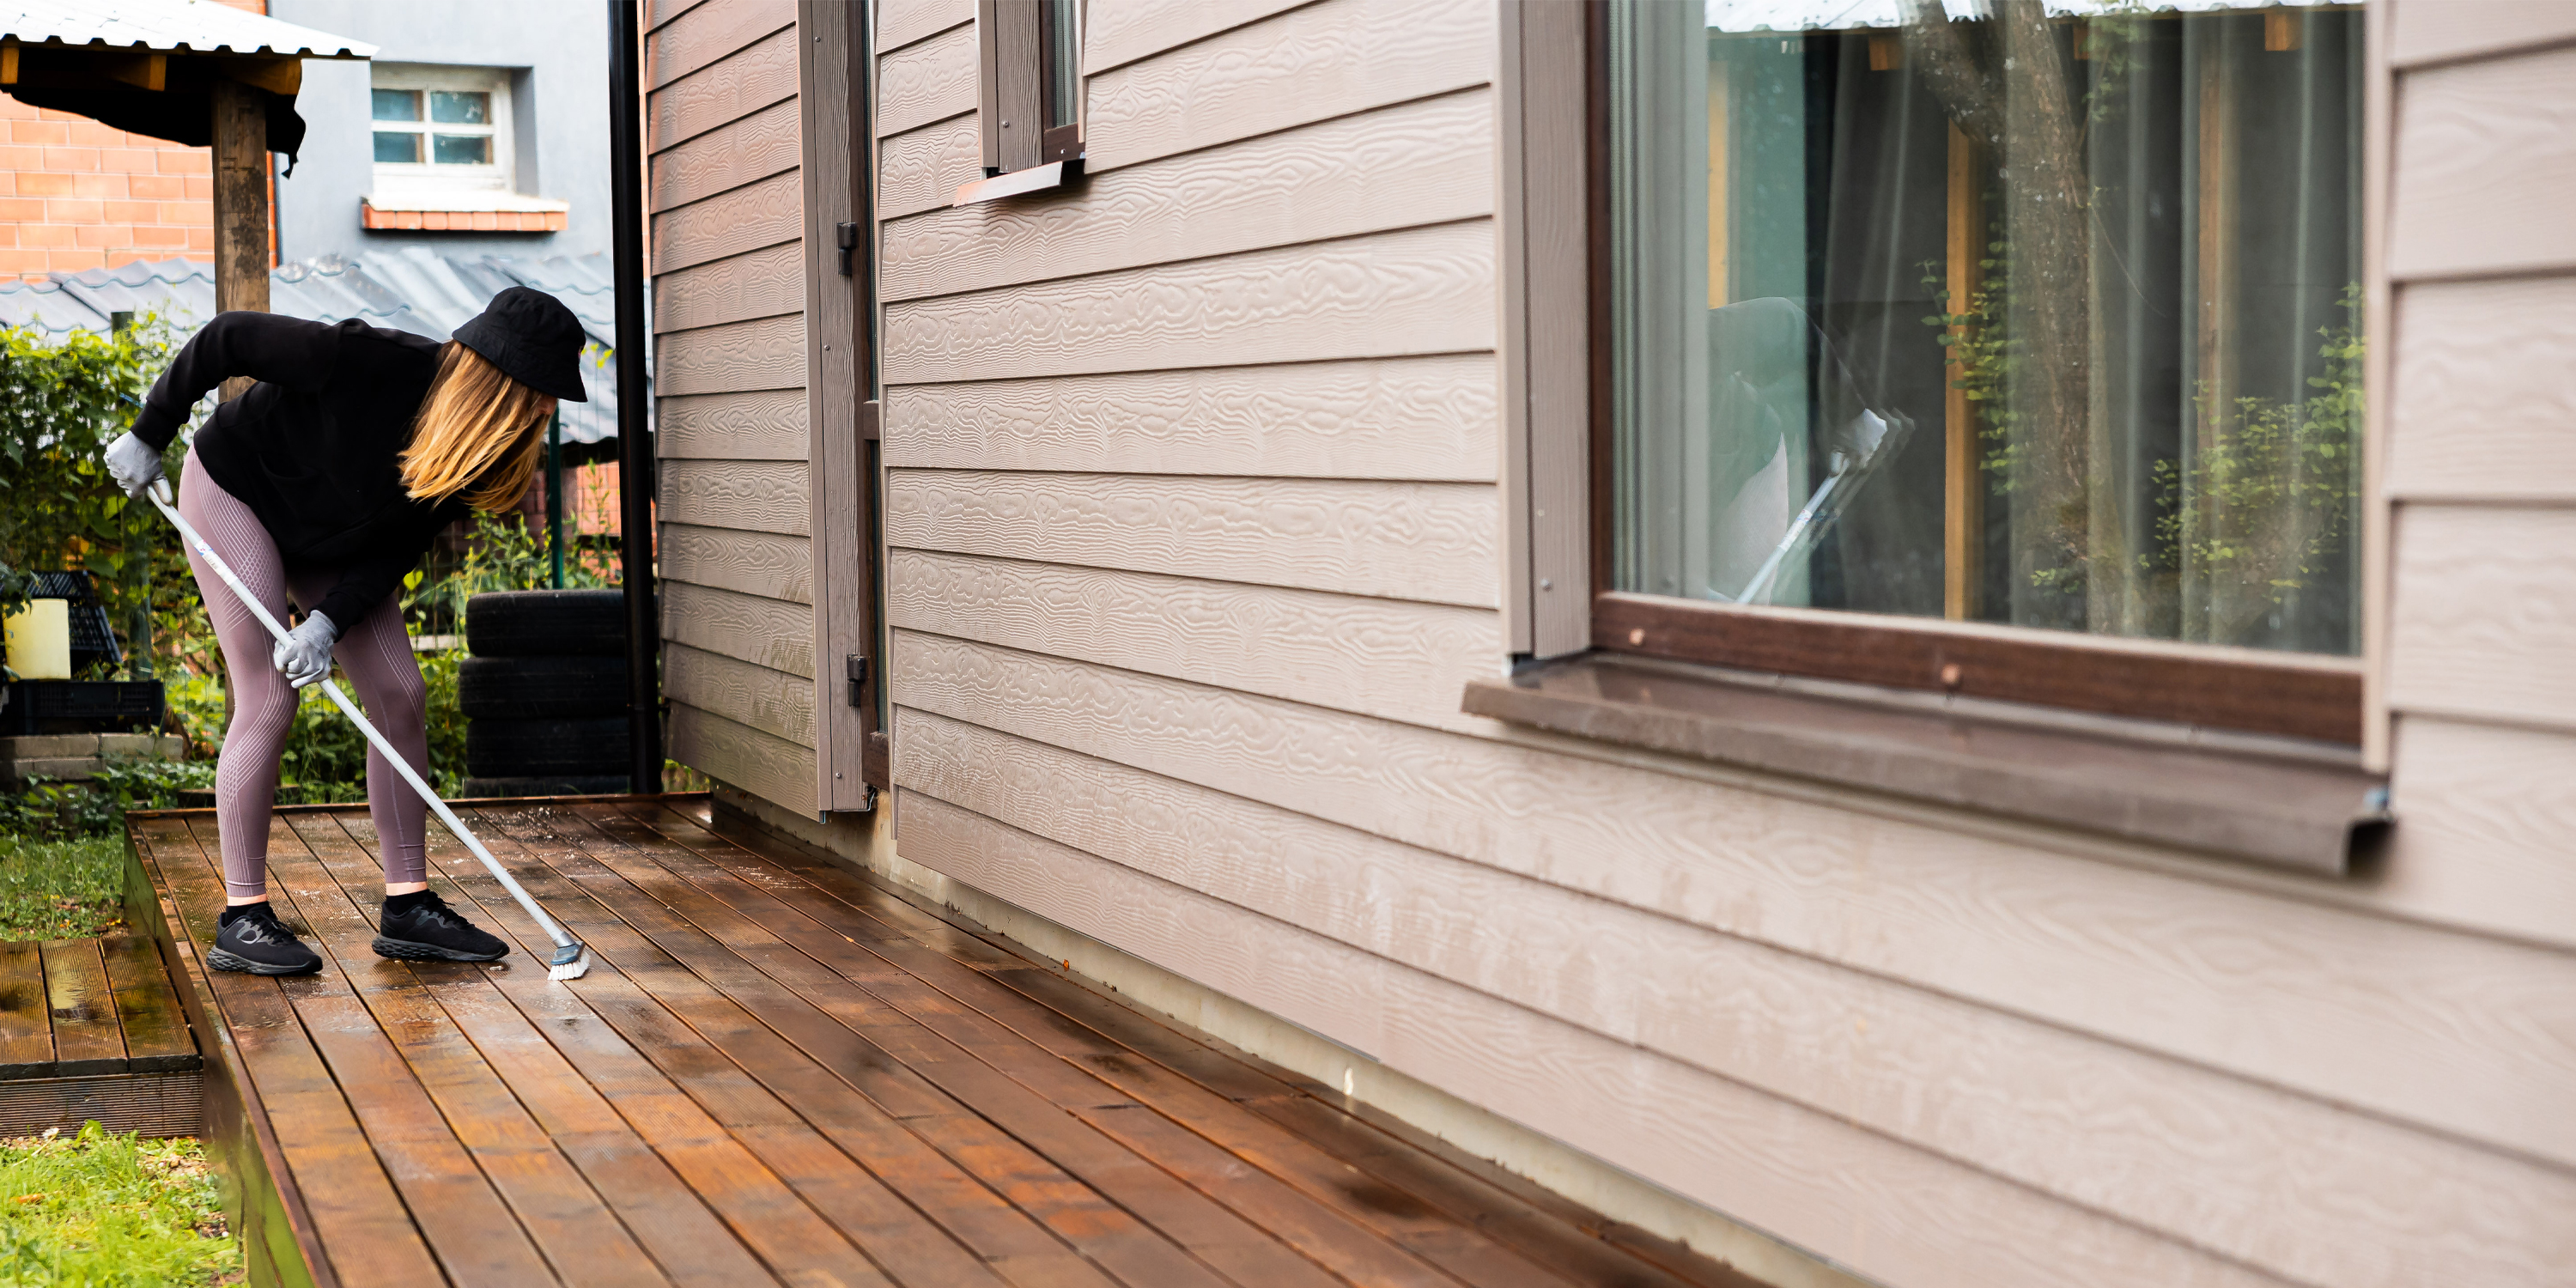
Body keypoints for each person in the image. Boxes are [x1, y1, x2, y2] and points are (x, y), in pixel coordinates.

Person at [102, 289, 589, 975]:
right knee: (270, 698)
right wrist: (149, 430)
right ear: (498, 379)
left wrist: (328, 622)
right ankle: (242, 916)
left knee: (400, 692)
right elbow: (228, 337)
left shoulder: (471, 451)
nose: (548, 408)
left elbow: (394, 549)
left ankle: (408, 908)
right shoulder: (367, 359)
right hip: (238, 493)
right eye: (541, 391)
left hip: (330, 539)